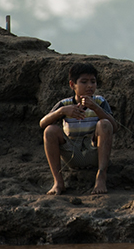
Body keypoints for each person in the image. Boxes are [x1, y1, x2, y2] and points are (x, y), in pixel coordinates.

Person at [40, 63, 118, 195]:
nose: (90, 86)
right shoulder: (65, 104)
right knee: (50, 130)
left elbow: (113, 127)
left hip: (94, 152)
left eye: (93, 82)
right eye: (84, 82)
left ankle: (101, 176)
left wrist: (96, 108)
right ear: (72, 85)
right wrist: (61, 112)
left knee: (104, 124)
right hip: (72, 154)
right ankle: (58, 182)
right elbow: (42, 124)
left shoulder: (99, 101)